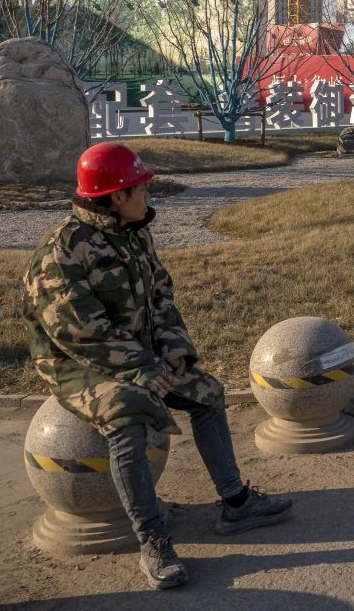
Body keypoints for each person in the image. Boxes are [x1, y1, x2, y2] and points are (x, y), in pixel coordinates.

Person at [23, 142, 291, 590]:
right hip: (76, 363)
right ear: (115, 197)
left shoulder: (134, 232)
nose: (148, 194)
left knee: (206, 392)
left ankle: (237, 503)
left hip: (141, 354)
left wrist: (173, 352)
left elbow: (161, 294)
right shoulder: (62, 252)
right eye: (139, 187)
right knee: (128, 415)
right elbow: (79, 331)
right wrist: (141, 371)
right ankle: (153, 539)